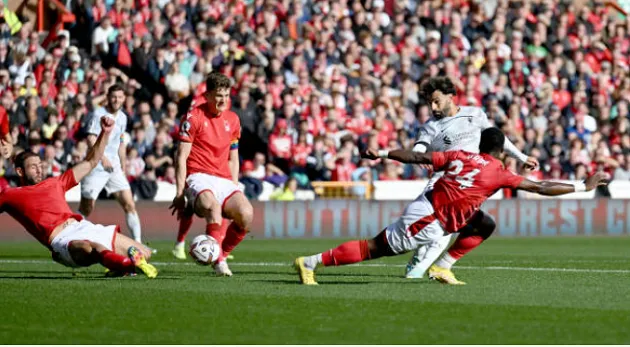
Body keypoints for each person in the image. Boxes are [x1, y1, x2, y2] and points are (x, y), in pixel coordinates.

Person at [294, 128, 607, 285]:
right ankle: (311, 262)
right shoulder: (498, 170)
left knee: (483, 223)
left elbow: (418, 157)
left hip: (437, 209)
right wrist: (584, 186)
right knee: (374, 248)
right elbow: (539, 187)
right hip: (429, 217)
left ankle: (443, 266)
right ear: (500, 152)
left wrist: (382, 154)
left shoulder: (459, 155)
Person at [405, 77, 539, 279]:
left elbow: (497, 137)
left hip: (470, 181)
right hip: (444, 179)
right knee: (438, 227)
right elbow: (420, 146)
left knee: (445, 229)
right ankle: (418, 264)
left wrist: (521, 157)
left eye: (436, 101)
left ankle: (420, 267)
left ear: (450, 97)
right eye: (430, 103)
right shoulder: (431, 125)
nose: (433, 107)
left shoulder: (475, 114)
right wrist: (418, 155)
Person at [0, 116, 157, 278]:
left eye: (40, 165)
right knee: (90, 247)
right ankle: (129, 266)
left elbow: (91, 161)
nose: (39, 170)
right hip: (61, 239)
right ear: (20, 171)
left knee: (145, 253)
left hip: (82, 226)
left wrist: (105, 132)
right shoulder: (10, 194)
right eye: (33, 167)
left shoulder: (56, 183)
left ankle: (120, 266)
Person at [170, 72, 254, 276]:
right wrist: (180, 193)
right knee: (213, 208)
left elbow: (234, 158)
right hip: (198, 176)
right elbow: (181, 157)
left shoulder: (233, 120)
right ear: (207, 95)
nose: (222, 100)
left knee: (246, 214)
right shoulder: (193, 117)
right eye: (218, 95)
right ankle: (217, 262)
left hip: (224, 179)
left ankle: (221, 255)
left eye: (226, 95)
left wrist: (234, 187)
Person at [171, 89, 232, 261]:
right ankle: (180, 243)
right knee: (188, 208)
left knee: (219, 205)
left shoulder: (223, 107)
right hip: (192, 163)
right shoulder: (197, 107)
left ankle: (216, 244)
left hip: (212, 164)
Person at [78, 84, 143, 244]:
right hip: (96, 166)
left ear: (124, 99)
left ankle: (138, 243)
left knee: (129, 203)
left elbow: (120, 141)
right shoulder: (98, 114)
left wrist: (123, 163)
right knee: (87, 207)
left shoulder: (123, 117)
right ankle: (72, 236)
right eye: (114, 97)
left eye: (120, 97)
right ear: (108, 97)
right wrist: (102, 157)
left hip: (113, 167)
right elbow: (91, 138)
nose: (117, 100)